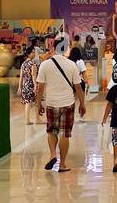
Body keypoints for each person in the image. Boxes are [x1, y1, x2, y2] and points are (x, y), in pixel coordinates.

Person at [36, 41, 85, 172]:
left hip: (51, 104)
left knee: (51, 131)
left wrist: (39, 103)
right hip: (68, 103)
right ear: (66, 49)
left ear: (53, 48)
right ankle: (62, 164)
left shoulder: (44, 65)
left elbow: (40, 87)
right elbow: (78, 87)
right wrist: (82, 103)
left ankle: (53, 154)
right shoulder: (71, 65)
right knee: (64, 134)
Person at [19, 37, 46, 124]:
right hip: (32, 85)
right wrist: (35, 86)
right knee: (37, 102)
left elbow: (21, 77)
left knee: (28, 103)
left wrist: (20, 87)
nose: (34, 53)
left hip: (25, 85)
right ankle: (37, 119)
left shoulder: (23, 64)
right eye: (33, 52)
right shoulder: (32, 64)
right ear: (30, 54)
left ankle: (27, 120)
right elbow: (34, 76)